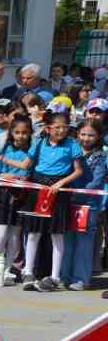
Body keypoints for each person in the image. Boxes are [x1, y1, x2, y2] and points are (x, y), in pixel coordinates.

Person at [20, 110, 82, 292]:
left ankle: (55, 276)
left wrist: (61, 183)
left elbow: (78, 170)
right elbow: (25, 165)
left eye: (65, 127)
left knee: (57, 234)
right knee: (34, 232)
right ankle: (28, 271)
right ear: (48, 129)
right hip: (39, 187)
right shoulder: (39, 144)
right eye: (57, 127)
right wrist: (0, 158)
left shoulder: (72, 144)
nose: (61, 130)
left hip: (59, 190)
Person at [0, 114, 35, 287]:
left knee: (15, 236)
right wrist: (2, 175)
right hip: (3, 194)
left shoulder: (31, 152)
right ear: (11, 133)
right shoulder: (4, 149)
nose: (21, 136)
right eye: (17, 132)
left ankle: (8, 270)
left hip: (21, 196)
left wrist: (17, 177)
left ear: (29, 133)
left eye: (24, 132)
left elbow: (28, 173)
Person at [64, 119, 106, 290]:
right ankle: (64, 276)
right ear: (77, 134)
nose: (86, 138)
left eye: (91, 135)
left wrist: (74, 191)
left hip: (89, 205)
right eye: (83, 134)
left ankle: (81, 279)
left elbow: (96, 181)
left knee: (84, 243)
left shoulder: (101, 156)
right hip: (67, 202)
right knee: (67, 241)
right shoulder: (70, 151)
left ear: (98, 136)